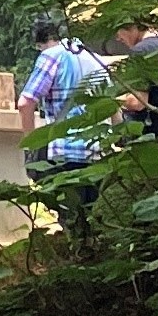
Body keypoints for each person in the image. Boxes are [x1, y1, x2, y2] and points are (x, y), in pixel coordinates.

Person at [18, 12, 114, 203]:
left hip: (65, 152)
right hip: (97, 151)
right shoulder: (93, 57)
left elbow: (25, 102)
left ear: (42, 39)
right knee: (92, 217)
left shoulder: (51, 56)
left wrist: (31, 145)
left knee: (70, 215)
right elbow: (112, 105)